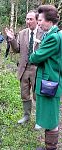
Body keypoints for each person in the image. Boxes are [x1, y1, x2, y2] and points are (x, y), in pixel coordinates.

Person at [29, 5, 62, 150]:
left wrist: (36, 52)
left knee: (51, 119)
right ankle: (49, 146)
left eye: (41, 20)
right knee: (49, 117)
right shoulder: (53, 34)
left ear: (50, 20)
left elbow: (35, 58)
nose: (39, 22)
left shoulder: (53, 37)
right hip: (51, 80)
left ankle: (51, 148)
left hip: (50, 82)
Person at [5, 10, 43, 129]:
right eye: (27, 19)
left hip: (38, 68)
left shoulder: (44, 33)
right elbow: (17, 50)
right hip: (24, 68)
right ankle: (26, 116)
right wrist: (11, 39)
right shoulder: (22, 33)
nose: (28, 21)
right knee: (24, 94)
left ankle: (40, 120)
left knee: (38, 95)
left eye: (31, 19)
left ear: (37, 20)